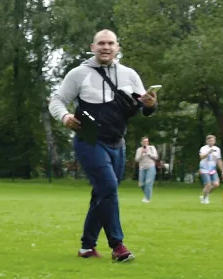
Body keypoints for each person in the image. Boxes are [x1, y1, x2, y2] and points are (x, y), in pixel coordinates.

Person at [49, 30, 158, 262]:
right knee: (108, 188)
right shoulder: (78, 74)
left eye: (110, 43)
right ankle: (117, 245)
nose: (105, 47)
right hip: (89, 139)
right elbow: (57, 99)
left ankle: (87, 247)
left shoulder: (129, 74)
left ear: (118, 47)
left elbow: (142, 108)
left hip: (117, 142)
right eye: (101, 43)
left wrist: (150, 105)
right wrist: (65, 117)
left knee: (103, 193)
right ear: (92, 46)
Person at [198, 134, 223, 204]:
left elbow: (219, 160)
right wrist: (208, 153)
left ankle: (205, 195)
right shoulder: (203, 148)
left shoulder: (217, 149)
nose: (211, 142)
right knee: (208, 184)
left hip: (212, 169)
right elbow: (201, 157)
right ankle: (205, 199)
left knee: (216, 184)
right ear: (207, 141)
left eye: (212, 140)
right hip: (204, 169)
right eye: (209, 141)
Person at [135, 136, 158, 203]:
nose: (145, 143)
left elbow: (156, 157)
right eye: (144, 141)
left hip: (151, 167)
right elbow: (136, 159)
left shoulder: (151, 148)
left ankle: (147, 199)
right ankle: (147, 195)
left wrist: (148, 153)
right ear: (141, 142)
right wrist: (141, 154)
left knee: (148, 183)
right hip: (142, 168)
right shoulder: (139, 150)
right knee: (141, 184)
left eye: (147, 141)